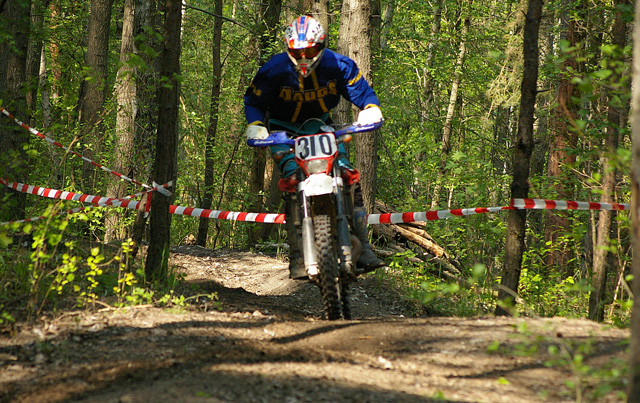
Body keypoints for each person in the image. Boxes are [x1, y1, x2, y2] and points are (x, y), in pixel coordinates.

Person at [244, 15, 385, 279]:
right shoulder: (274, 70)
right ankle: (298, 254)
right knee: (292, 180)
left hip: (322, 126)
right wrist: (256, 125)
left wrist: (370, 108)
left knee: (347, 175)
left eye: (309, 51)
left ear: (320, 46)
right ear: (288, 49)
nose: (304, 57)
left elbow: (363, 92)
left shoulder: (338, 65)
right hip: (284, 130)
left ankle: (364, 248)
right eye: (298, 52)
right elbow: (253, 100)